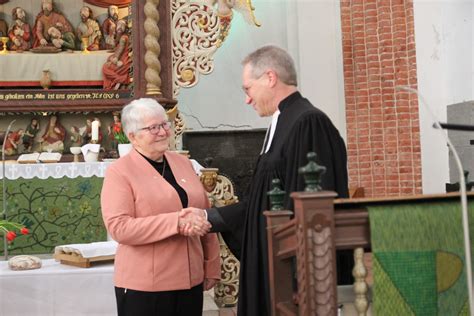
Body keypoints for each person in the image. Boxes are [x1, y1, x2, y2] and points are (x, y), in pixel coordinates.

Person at [179, 45, 349, 316]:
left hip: (293, 278)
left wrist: (300, 280)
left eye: (247, 89)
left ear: (270, 78)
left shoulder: (308, 122)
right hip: (273, 266)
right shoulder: (281, 122)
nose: (247, 99)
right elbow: (262, 202)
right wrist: (208, 216)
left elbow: (310, 209)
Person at [101, 98, 220, 316]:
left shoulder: (183, 163)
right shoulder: (119, 172)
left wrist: (211, 265)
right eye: (153, 128)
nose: (163, 132)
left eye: (165, 124)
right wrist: (176, 222)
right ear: (133, 136)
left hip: (190, 281)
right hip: (146, 286)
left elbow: (205, 216)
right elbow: (119, 227)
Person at [102, 19, 131, 90]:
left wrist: (116, 59)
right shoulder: (120, 37)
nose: (120, 27)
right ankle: (119, 81)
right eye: (119, 25)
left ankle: (122, 79)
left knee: (105, 68)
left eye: (122, 25)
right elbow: (116, 47)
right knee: (108, 62)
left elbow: (121, 49)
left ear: (125, 28)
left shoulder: (123, 38)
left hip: (123, 62)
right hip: (122, 60)